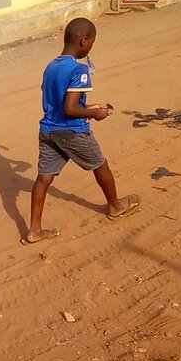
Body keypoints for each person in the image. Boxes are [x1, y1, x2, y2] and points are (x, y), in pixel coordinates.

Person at [25, 17, 139, 244]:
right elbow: (70, 109)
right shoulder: (79, 70)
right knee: (100, 165)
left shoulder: (51, 66)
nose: (91, 48)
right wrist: (95, 114)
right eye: (92, 43)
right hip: (72, 132)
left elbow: (59, 103)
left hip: (48, 131)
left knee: (43, 179)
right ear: (84, 41)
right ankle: (115, 206)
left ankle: (34, 230)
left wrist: (90, 107)